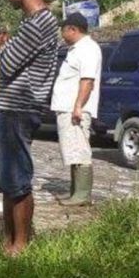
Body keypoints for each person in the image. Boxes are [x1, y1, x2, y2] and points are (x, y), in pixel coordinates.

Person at [0, 0, 59, 256]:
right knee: (8, 179)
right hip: (9, 108)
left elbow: (4, 64)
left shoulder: (39, 22)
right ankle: (9, 241)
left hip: (18, 109)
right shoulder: (31, 23)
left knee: (17, 179)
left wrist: (2, 48)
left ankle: (20, 244)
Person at [50, 12, 102, 206]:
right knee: (72, 150)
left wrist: (78, 106)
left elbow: (87, 80)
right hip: (66, 108)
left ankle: (82, 195)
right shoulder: (76, 49)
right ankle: (75, 191)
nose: (62, 34)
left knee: (80, 149)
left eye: (63, 29)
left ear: (73, 29)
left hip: (75, 109)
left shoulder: (88, 49)